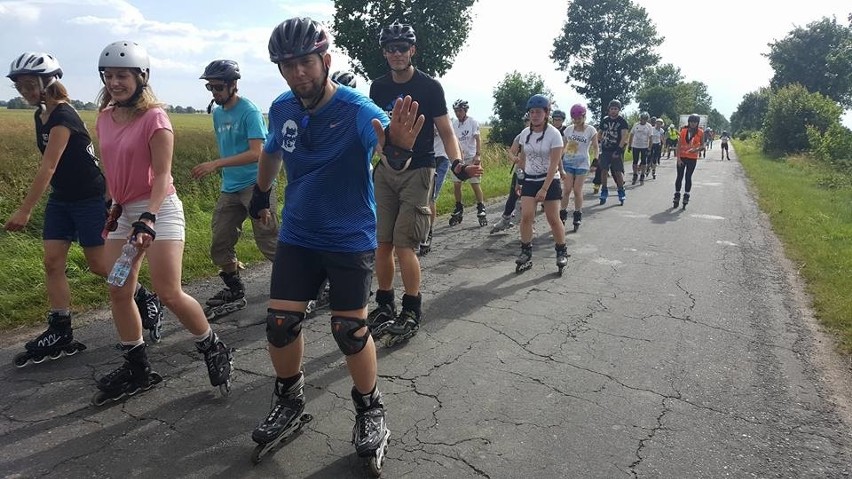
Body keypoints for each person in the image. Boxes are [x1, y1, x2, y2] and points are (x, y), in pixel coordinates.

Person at [247, 17, 419, 470]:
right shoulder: (283, 106)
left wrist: (398, 149)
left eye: (305, 62)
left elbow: (386, 147)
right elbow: (271, 151)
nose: (298, 72)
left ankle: (370, 407)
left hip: (348, 238)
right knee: (280, 324)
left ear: (325, 61)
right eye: (287, 65)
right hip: (300, 234)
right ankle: (289, 397)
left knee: (349, 331)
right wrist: (261, 194)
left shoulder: (357, 109)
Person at [92, 41, 233, 404]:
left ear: (141, 77)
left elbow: (162, 174)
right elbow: (111, 167)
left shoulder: (155, 118)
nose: (114, 82)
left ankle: (212, 346)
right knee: (118, 288)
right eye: (108, 76)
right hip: (123, 212)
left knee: (168, 291)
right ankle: (137, 366)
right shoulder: (105, 117)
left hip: (159, 209)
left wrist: (148, 217)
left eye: (122, 75)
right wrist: (111, 201)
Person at [5, 51, 163, 368]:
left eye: (29, 83)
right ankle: (61, 328)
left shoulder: (64, 117)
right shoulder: (41, 115)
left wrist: (23, 211)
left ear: (48, 82)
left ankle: (144, 296)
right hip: (62, 199)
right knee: (52, 261)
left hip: (89, 198)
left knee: (98, 264)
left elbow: (47, 167)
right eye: (19, 84)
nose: (24, 90)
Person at [367, 20, 469, 345]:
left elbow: (446, 131)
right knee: (381, 244)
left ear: (412, 50)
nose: (396, 53)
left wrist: (456, 163)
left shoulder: (429, 87)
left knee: (403, 244)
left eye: (402, 47)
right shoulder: (377, 87)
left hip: (420, 169)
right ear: (384, 53)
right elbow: (376, 132)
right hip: (385, 170)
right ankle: (384, 303)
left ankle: (411, 309)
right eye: (390, 48)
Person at [191, 59, 278, 320]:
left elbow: (257, 153)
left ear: (233, 85)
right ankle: (234, 288)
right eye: (210, 87)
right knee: (220, 240)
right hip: (230, 187)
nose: (214, 92)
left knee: (269, 241)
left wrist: (216, 164)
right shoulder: (217, 112)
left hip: (256, 185)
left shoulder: (249, 111)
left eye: (218, 87)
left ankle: (305, 283)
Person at [514, 94, 567, 274]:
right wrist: (518, 180)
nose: (534, 115)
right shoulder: (525, 134)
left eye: (538, 112)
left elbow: (554, 164)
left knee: (553, 218)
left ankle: (561, 250)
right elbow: (522, 160)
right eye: (532, 112)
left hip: (550, 180)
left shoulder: (554, 134)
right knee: (526, 216)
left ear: (546, 113)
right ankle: (526, 251)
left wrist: (545, 188)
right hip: (529, 178)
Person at [558, 104, 597, 232]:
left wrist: (596, 160)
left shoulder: (590, 130)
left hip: (582, 164)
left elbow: (596, 147)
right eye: (574, 118)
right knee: (567, 189)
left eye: (579, 118)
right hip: (568, 162)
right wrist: (558, 162)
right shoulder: (568, 130)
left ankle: (577, 214)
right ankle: (562, 214)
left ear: (584, 116)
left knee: (577, 190)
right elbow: (562, 147)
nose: (576, 120)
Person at [490, 113, 529, 234]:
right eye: (527, 121)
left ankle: (529, 224)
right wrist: (514, 158)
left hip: (537, 172)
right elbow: (511, 152)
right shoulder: (521, 136)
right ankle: (506, 218)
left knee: (529, 199)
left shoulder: (544, 135)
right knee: (513, 195)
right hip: (521, 170)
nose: (530, 123)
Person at [450, 99, 486, 227]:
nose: (457, 113)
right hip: (460, 158)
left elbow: (477, 138)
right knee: (456, 184)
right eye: (455, 111)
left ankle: (481, 206)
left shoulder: (472, 122)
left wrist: (478, 155)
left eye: (460, 111)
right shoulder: (454, 124)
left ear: (465, 110)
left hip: (471, 157)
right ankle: (458, 206)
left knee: (475, 183)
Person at [418, 125, 451, 256]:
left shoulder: (441, 118)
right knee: (421, 195)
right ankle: (420, 228)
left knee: (431, 196)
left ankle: (428, 231)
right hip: (425, 157)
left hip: (441, 158)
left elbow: (450, 137)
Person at [597, 100, 629, 205]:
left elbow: (624, 136)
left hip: (616, 150)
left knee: (617, 172)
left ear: (619, 110)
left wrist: (619, 149)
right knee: (604, 170)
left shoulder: (622, 121)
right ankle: (604, 190)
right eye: (612, 109)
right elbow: (600, 133)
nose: (614, 111)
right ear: (609, 110)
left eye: (616, 109)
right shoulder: (604, 120)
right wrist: (598, 144)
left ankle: (621, 190)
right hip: (605, 149)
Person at [672, 114, 705, 209]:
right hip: (682, 157)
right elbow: (679, 145)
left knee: (688, 177)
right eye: (691, 122)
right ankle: (677, 195)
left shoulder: (700, 132)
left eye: (695, 122)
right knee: (679, 176)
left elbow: (703, 146)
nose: (693, 124)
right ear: (689, 122)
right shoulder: (683, 131)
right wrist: (678, 158)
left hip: (692, 158)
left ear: (697, 123)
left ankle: (686, 195)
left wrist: (695, 150)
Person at [627, 111, 653, 184]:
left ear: (647, 119)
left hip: (644, 146)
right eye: (642, 118)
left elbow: (651, 138)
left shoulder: (649, 126)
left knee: (644, 161)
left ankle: (642, 175)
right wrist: (629, 145)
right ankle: (635, 174)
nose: (643, 120)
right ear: (640, 118)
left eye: (645, 119)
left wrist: (649, 148)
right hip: (635, 145)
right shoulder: (636, 125)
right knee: (635, 161)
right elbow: (631, 135)